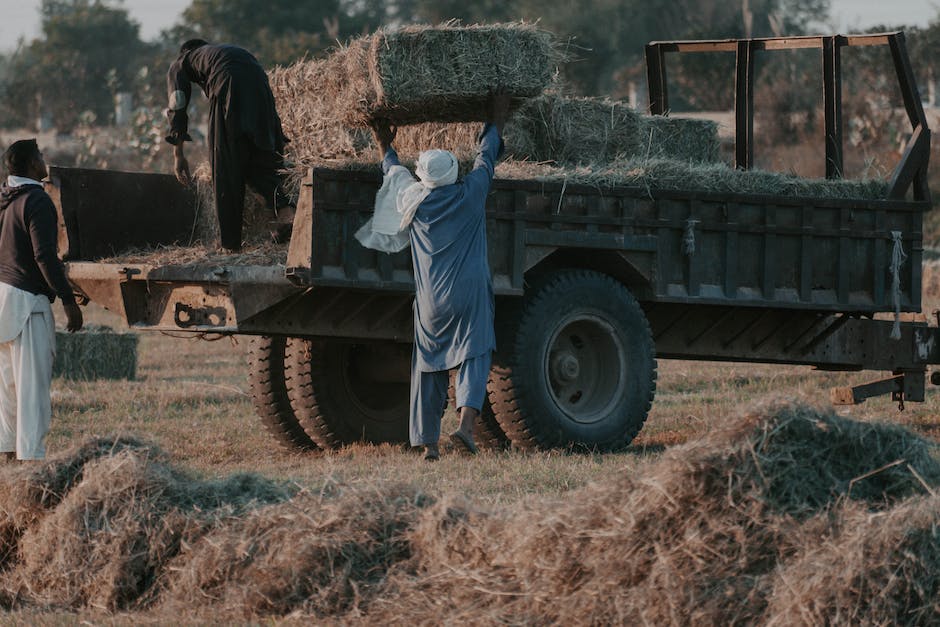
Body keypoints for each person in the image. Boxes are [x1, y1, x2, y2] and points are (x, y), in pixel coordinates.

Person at [371, 90, 511, 461]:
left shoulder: (412, 201)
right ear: (452, 174)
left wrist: (383, 139)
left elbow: (393, 169)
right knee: (475, 353)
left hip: (432, 300)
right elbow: (485, 158)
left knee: (428, 365)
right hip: (470, 293)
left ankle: (428, 444)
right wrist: (495, 118)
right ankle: (465, 428)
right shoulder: (470, 194)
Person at [165, 39, 293, 252]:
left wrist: (178, 154)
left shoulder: (182, 61)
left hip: (229, 81)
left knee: (225, 164)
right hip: (260, 83)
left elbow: (177, 102)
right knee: (257, 157)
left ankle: (230, 245)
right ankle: (285, 210)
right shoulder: (222, 52)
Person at [0, 139, 83, 461]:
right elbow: (45, 255)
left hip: (3, 297)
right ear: (32, 164)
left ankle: (7, 463)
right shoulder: (37, 200)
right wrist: (67, 300)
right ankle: (31, 465)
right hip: (29, 306)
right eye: (41, 156)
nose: (45, 160)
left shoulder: (5, 198)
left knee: (6, 392)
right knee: (32, 394)